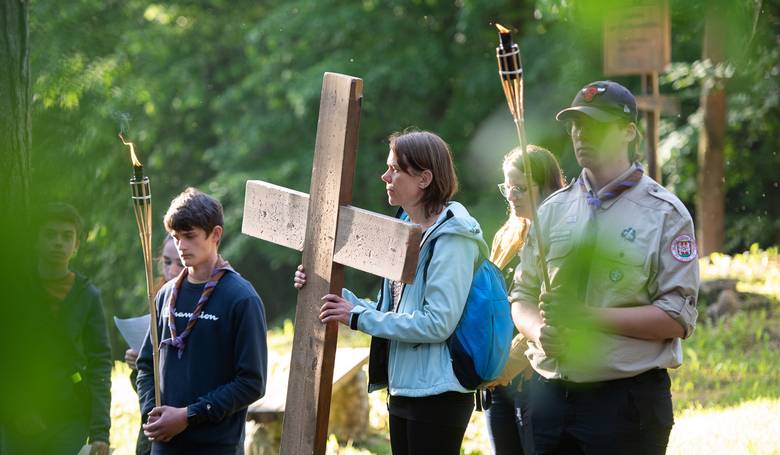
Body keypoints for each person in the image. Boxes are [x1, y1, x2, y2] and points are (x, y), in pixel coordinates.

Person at [511, 81, 700, 454]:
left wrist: (587, 317)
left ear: (628, 131)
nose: (581, 135)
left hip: (624, 403)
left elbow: (676, 319)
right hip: (549, 398)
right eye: (576, 126)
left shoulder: (665, 214)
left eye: (595, 125)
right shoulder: (552, 210)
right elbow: (521, 296)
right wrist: (538, 331)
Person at [294, 130, 488, 455]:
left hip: (438, 393)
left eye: (396, 169)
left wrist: (356, 317)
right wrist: (334, 294)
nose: (385, 176)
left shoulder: (453, 238)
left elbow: (437, 323)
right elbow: (392, 311)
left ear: (424, 178)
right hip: (405, 389)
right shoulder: (406, 228)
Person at [136, 188, 268, 454]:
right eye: (176, 237)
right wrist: (153, 412)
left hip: (216, 446)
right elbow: (146, 366)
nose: (181, 246)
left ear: (215, 234)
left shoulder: (241, 298)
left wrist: (188, 416)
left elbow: (251, 382)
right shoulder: (164, 296)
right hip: (165, 445)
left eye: (189, 236)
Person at [485, 145, 565, 455]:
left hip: (533, 376)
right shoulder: (506, 235)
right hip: (496, 380)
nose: (512, 195)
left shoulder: (559, 235)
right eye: (507, 187)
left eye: (520, 187)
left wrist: (503, 367)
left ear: (545, 186)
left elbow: (538, 308)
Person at [33, 203, 112, 455]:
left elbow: (100, 363)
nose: (58, 242)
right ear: (36, 240)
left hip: (70, 416)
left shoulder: (87, 296)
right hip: (17, 417)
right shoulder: (15, 289)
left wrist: (100, 432)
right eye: (50, 234)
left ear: (77, 245)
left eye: (67, 236)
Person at [126, 234, 184, 455]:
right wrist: (138, 365)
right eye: (167, 262)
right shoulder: (158, 302)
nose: (172, 270)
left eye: (179, 262)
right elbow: (146, 377)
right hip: (154, 432)